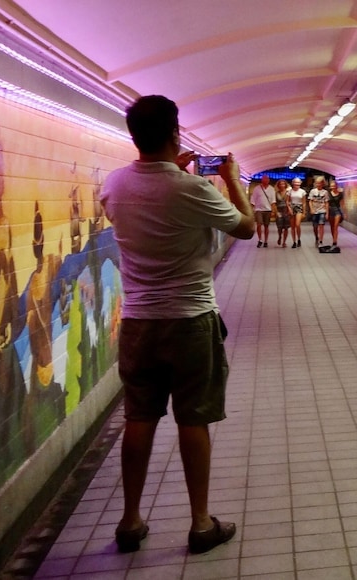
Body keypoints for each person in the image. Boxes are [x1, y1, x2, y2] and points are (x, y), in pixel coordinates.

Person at [100, 95, 256, 555]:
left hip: (137, 322)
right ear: (175, 134)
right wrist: (231, 179)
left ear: (133, 135)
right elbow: (246, 227)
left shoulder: (113, 184)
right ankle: (201, 523)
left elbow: (149, 205)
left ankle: (129, 521)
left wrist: (173, 172)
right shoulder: (193, 190)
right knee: (194, 419)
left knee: (139, 416)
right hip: (190, 319)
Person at [250, 174, 275, 248]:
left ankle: (266, 241)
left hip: (268, 209)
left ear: (269, 180)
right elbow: (253, 199)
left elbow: (273, 201)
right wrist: (252, 208)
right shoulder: (257, 188)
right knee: (259, 224)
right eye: (264, 179)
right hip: (258, 209)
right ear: (262, 180)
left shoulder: (271, 189)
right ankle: (260, 239)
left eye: (267, 179)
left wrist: (273, 210)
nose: (266, 180)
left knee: (266, 226)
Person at [308, 175, 329, 246]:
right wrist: (311, 209)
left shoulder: (325, 192)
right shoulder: (313, 191)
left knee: (321, 225)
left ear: (323, 183)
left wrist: (327, 213)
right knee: (315, 226)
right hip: (315, 211)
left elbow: (326, 202)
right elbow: (310, 201)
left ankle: (321, 241)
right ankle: (316, 237)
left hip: (322, 210)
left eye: (320, 183)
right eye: (317, 183)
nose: (318, 184)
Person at [288, 176, 306, 248]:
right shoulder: (290, 191)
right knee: (292, 226)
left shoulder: (302, 191)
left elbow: (304, 203)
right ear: (293, 183)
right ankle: (294, 241)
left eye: (298, 182)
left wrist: (304, 212)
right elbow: (287, 201)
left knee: (297, 224)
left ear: (300, 183)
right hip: (292, 207)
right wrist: (289, 208)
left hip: (299, 207)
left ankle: (298, 239)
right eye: (295, 182)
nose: (297, 184)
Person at [273, 178, 291, 247]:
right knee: (279, 227)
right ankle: (280, 236)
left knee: (286, 227)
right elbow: (274, 203)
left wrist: (289, 210)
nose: (282, 185)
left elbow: (290, 202)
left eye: (283, 184)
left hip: (286, 210)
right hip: (279, 210)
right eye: (280, 184)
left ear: (285, 185)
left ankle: (284, 242)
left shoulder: (288, 192)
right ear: (278, 185)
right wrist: (276, 212)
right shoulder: (276, 193)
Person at [327, 178, 344, 247]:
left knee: (336, 226)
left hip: (337, 210)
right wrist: (327, 213)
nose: (332, 187)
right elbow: (327, 203)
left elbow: (342, 203)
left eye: (334, 186)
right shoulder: (328, 193)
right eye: (331, 186)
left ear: (336, 186)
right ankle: (333, 239)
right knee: (332, 226)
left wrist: (344, 212)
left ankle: (335, 241)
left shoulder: (340, 194)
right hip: (331, 210)